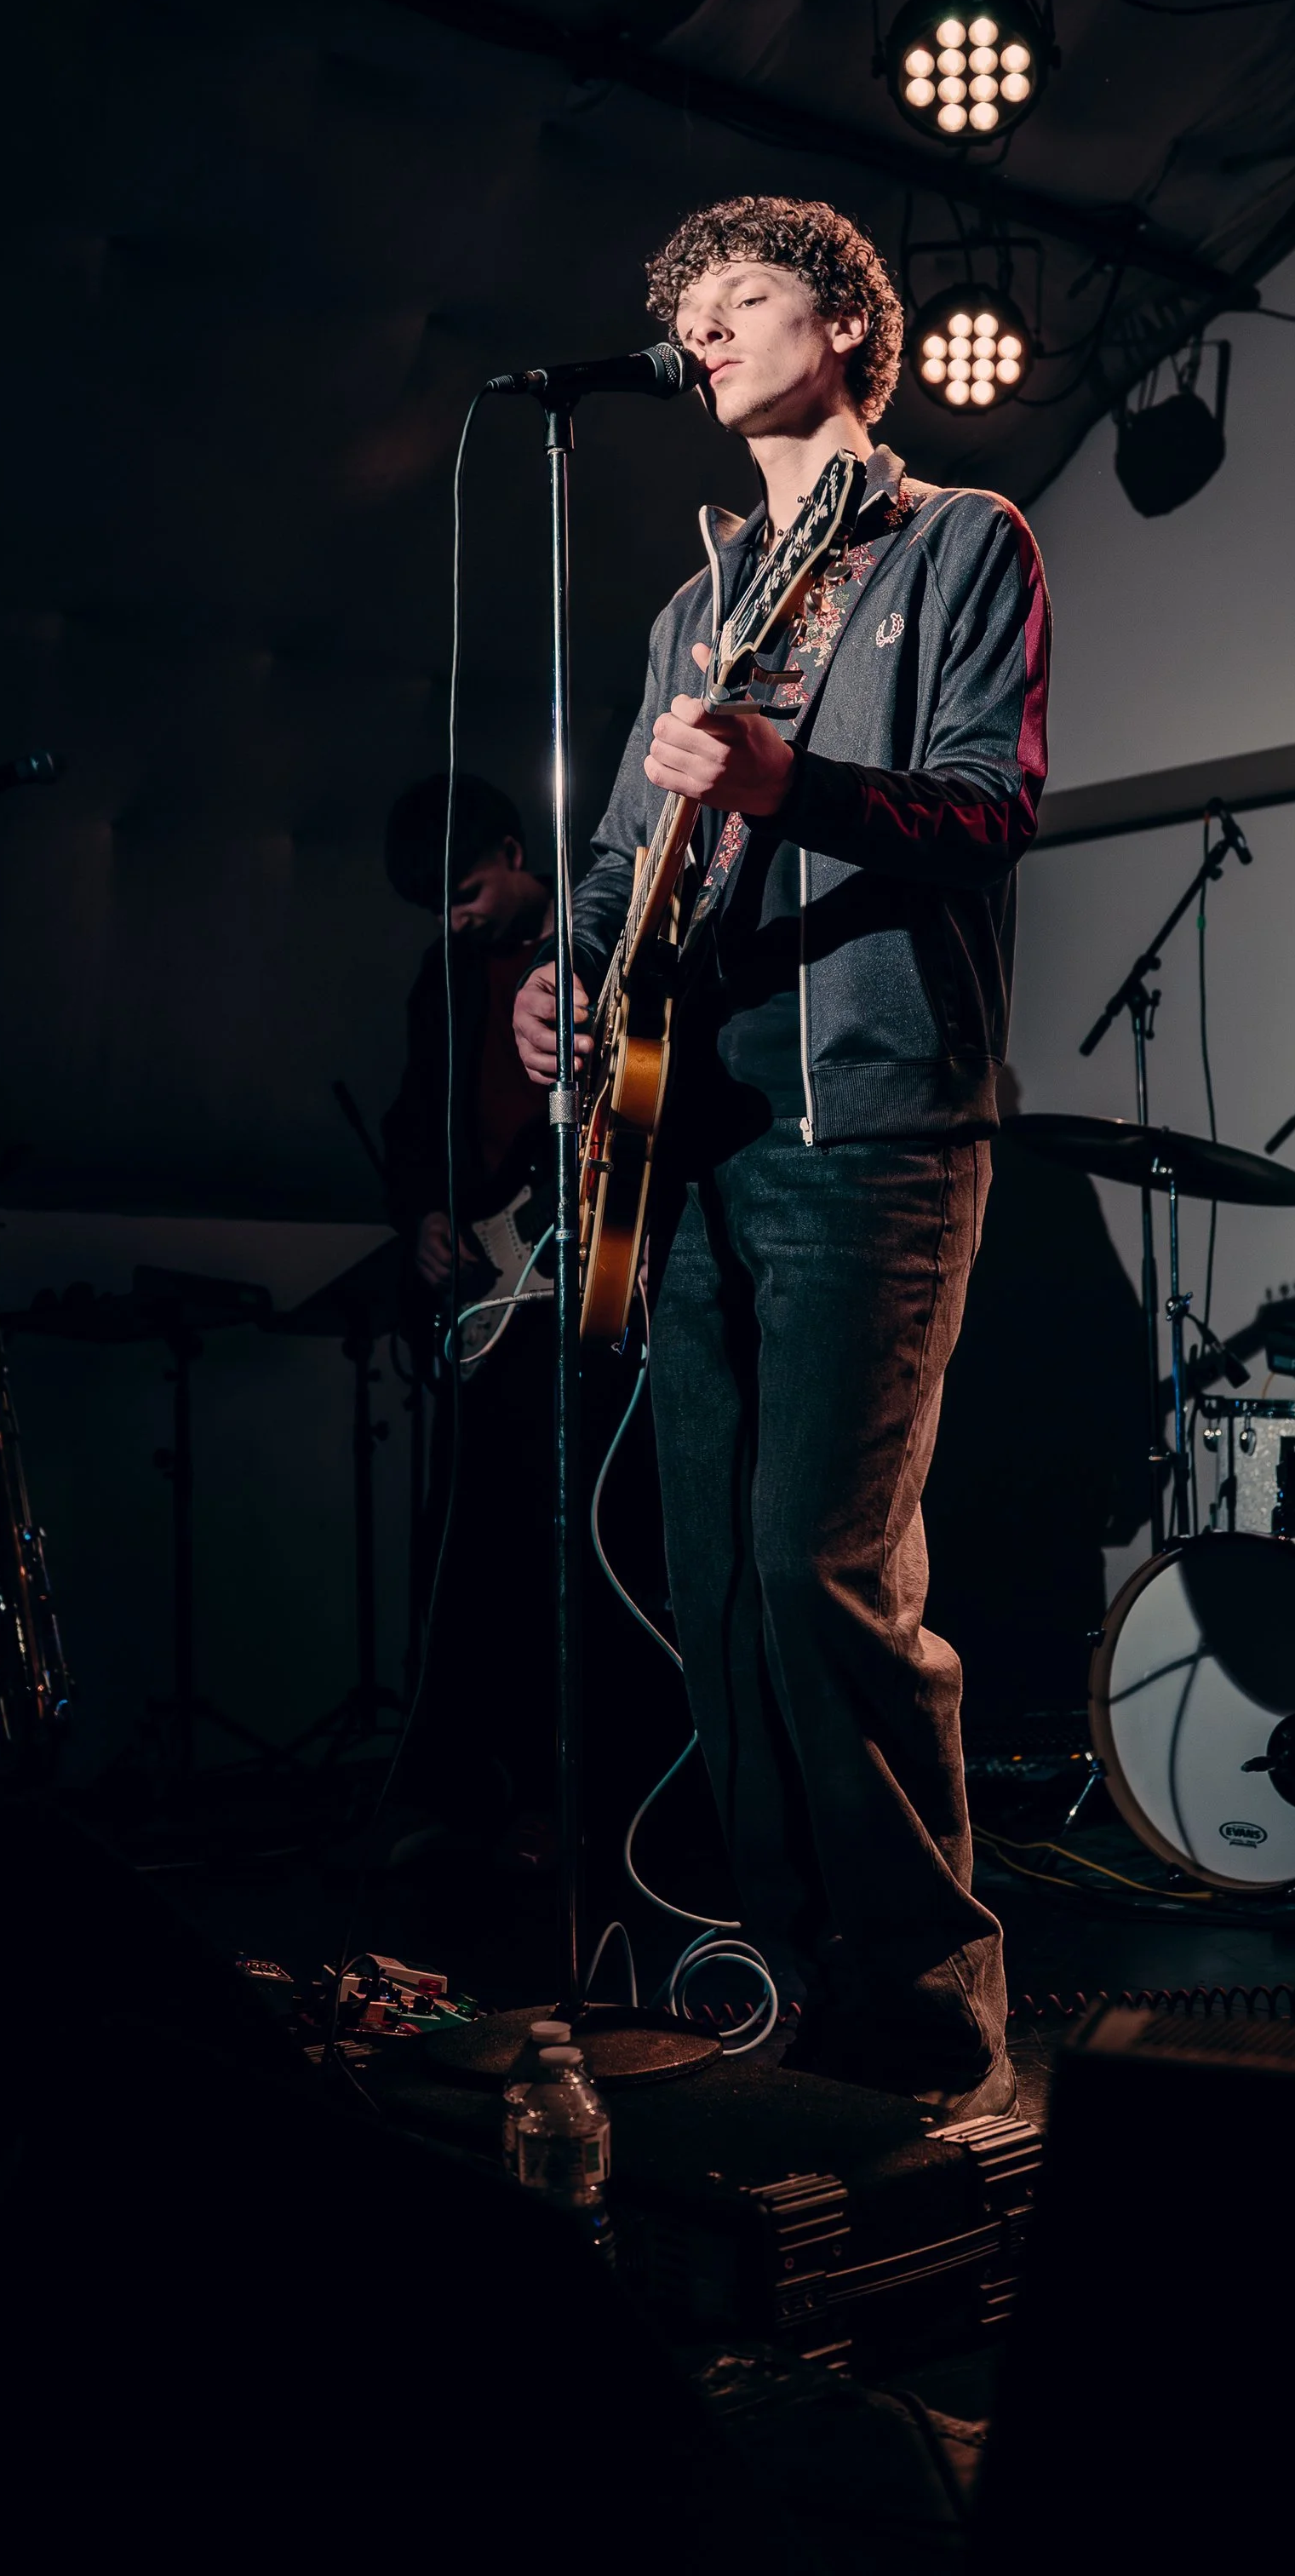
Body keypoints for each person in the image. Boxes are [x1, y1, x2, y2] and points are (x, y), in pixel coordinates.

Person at [515, 195, 1051, 2122]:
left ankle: (926, 2018)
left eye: (739, 298)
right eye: (684, 310)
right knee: (721, 1579)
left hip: (874, 1119)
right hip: (689, 1131)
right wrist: (559, 983)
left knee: (826, 1567)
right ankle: (791, 1979)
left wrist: (787, 782)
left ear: (842, 320)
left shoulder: (958, 539)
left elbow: (989, 808)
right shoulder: (696, 602)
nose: (704, 330)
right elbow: (610, 865)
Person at [379, 772, 555, 1845]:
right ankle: (462, 1795)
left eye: (468, 888)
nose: (457, 917)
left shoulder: (595, 947)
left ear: (513, 847)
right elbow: (412, 1117)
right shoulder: (443, 976)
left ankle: (560, 1801)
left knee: (563, 1544)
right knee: (464, 1545)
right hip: (489, 1288)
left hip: (578, 1290)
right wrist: (424, 1218)